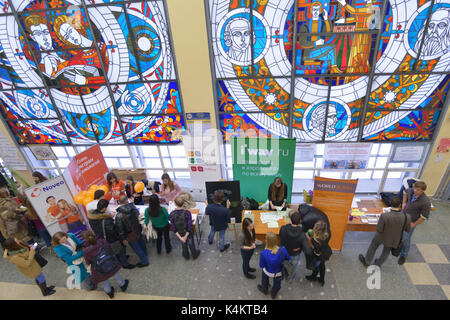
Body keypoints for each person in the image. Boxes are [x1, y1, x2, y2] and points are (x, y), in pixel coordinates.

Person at [359, 196, 411, 268]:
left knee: (373, 246)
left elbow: (379, 229)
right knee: (386, 251)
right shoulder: (407, 216)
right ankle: (378, 264)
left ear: (390, 204)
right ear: (400, 204)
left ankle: (367, 261)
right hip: (395, 238)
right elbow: (408, 229)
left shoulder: (384, 216)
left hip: (381, 236)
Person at [87, 199, 135, 269]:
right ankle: (125, 264)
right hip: (111, 238)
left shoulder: (91, 217)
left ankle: (120, 260)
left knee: (113, 251)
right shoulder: (106, 219)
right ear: (104, 208)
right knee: (120, 249)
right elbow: (112, 230)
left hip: (101, 237)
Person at [81, 230, 129, 299]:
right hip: (110, 262)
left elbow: (88, 262)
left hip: (99, 268)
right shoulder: (102, 241)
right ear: (93, 234)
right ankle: (123, 285)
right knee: (115, 273)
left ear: (84, 239)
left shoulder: (86, 250)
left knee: (103, 280)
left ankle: (110, 293)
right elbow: (110, 250)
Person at [298, 2, 342, 74]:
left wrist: (326, 19)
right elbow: (302, 43)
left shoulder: (322, 23)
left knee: (330, 56)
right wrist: (315, 43)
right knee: (333, 47)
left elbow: (329, 35)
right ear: (311, 10)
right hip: (309, 52)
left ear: (320, 11)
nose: (315, 12)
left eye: (317, 10)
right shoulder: (305, 26)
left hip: (320, 50)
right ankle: (334, 68)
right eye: (314, 9)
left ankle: (322, 77)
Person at [398, 181, 431, 265]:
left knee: (406, 238)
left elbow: (424, 217)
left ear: (423, 191)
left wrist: (413, 224)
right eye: (415, 188)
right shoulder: (411, 190)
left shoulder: (426, 202)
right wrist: (404, 202)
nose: (415, 191)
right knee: (400, 234)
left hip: (411, 221)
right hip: (403, 217)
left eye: (418, 190)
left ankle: (403, 255)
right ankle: (397, 247)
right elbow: (405, 191)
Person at [115, 195, 149, 267]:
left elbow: (120, 228)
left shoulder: (119, 215)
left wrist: (123, 238)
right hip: (137, 228)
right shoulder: (133, 207)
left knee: (136, 248)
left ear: (119, 202)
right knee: (141, 242)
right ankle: (145, 253)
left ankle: (145, 261)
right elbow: (138, 215)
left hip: (129, 234)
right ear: (127, 200)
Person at [257, 231, 290, 300]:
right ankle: (273, 293)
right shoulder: (283, 249)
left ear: (266, 241)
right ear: (276, 240)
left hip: (267, 271)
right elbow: (288, 258)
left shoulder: (263, 253)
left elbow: (261, 265)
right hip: (278, 272)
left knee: (264, 280)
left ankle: (264, 289)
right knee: (277, 284)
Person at [279, 211, 311, 281]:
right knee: (293, 266)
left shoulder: (283, 228)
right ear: (300, 221)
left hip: (283, 251)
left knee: (283, 263)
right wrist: (300, 248)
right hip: (294, 253)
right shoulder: (302, 234)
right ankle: (290, 278)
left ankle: (283, 274)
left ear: (290, 219)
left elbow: (281, 237)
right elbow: (307, 250)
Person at [170, 196, 200, 260]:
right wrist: (186, 236)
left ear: (175, 204)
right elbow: (189, 226)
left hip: (179, 232)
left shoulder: (172, 214)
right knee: (191, 243)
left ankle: (186, 255)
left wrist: (181, 238)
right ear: (183, 203)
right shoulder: (187, 213)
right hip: (188, 232)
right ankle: (194, 254)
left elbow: (173, 227)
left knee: (183, 244)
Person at [305, 220, 332, 286]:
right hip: (326, 252)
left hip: (319, 256)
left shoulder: (315, 241)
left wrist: (310, 241)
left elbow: (317, 253)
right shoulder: (327, 234)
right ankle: (322, 280)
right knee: (322, 266)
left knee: (316, 266)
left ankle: (313, 277)